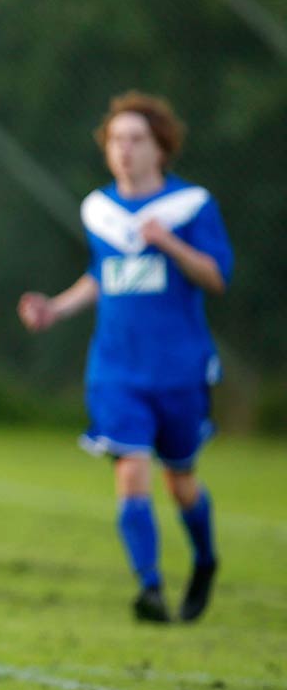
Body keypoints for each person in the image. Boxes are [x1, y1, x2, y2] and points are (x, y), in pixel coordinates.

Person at [18, 92, 229, 624]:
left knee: (180, 480)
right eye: (116, 140)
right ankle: (150, 588)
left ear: (161, 148)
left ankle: (204, 560)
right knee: (131, 467)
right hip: (117, 368)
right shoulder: (100, 210)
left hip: (179, 368)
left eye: (137, 140)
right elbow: (102, 274)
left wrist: (170, 245)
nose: (125, 150)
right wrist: (55, 308)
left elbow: (216, 276)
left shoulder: (191, 206)